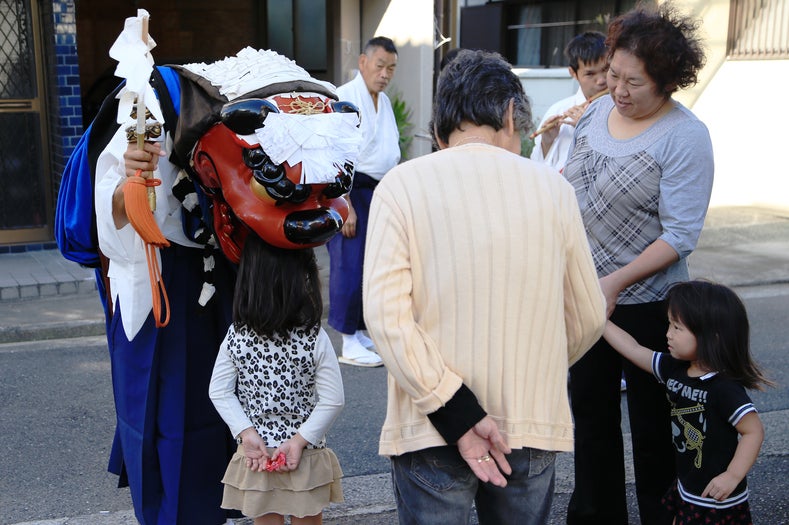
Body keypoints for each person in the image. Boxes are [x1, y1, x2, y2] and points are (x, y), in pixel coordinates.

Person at [90, 39, 360, 524]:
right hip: (174, 278)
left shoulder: (304, 103)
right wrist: (131, 182)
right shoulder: (160, 108)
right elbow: (107, 217)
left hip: (251, 274)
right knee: (178, 417)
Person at [363, 49, 607, 525]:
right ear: (512, 115)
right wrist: (534, 365)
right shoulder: (554, 190)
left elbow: (385, 317)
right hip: (531, 423)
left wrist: (452, 407)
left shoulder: (400, 186)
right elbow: (589, 315)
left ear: (440, 130)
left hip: (431, 427)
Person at [562, 4, 715, 524]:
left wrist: (616, 283)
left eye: (634, 83)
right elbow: (572, 184)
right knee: (591, 419)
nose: (618, 90)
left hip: (651, 307)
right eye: (613, 75)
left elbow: (680, 234)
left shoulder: (684, 135)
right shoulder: (595, 113)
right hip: (587, 294)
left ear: (668, 82)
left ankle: (661, 516)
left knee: (653, 429)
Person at [602, 280, 772, 525]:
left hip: (716, 498)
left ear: (710, 337)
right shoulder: (675, 368)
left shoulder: (723, 387)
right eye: (670, 324)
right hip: (687, 486)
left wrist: (732, 476)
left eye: (677, 327)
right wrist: (601, 321)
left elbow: (753, 431)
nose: (668, 333)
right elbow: (633, 349)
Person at [209, 234, 345, 525]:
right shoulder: (313, 336)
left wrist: (246, 433)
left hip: (257, 454)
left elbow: (219, 391)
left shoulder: (238, 335)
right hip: (304, 453)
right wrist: (299, 440)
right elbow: (333, 400)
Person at [327, 36, 401, 367]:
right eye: (380, 65)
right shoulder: (344, 96)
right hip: (350, 190)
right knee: (349, 262)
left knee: (369, 265)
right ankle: (346, 340)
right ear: (363, 62)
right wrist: (344, 203)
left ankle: (357, 331)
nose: (385, 74)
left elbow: (390, 150)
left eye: (391, 68)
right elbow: (334, 153)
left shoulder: (383, 102)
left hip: (377, 190)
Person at [530, 31, 608, 172]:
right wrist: (547, 142)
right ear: (573, 73)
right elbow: (538, 168)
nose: (601, 80)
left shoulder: (623, 109)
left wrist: (588, 128)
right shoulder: (559, 109)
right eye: (590, 74)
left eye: (606, 69)